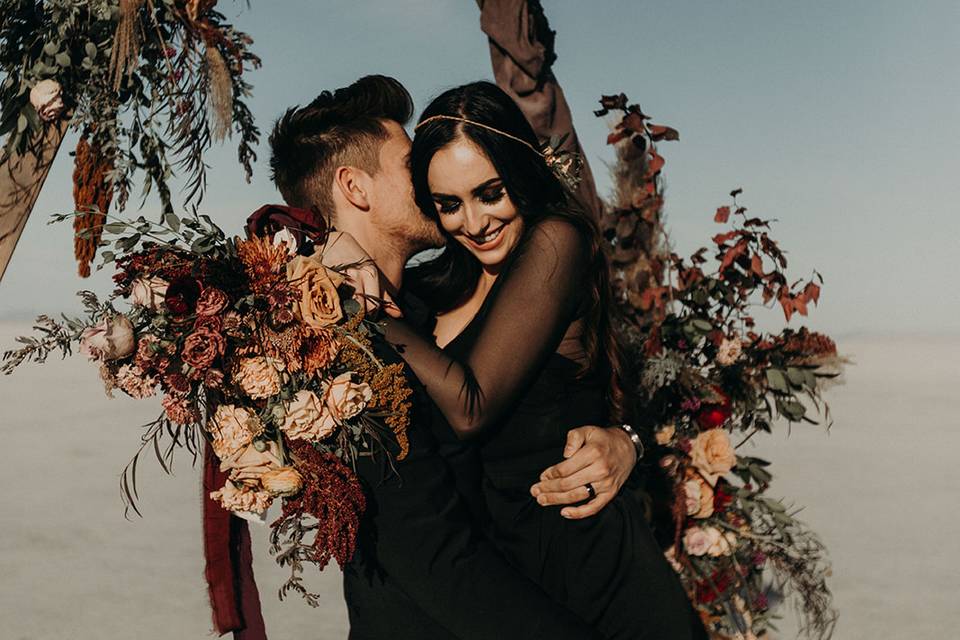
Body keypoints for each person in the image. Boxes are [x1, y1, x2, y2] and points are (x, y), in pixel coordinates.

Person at [261, 75, 642, 639]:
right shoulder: (337, 365)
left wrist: (625, 440)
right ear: (355, 187)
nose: (428, 177)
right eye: (409, 162)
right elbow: (439, 560)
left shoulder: (423, 307)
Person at [342, 81, 704, 639]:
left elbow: (471, 405)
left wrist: (355, 310)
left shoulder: (557, 240)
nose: (475, 222)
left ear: (520, 172)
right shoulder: (432, 290)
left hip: (598, 570)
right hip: (513, 582)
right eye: (449, 205)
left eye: (490, 192)